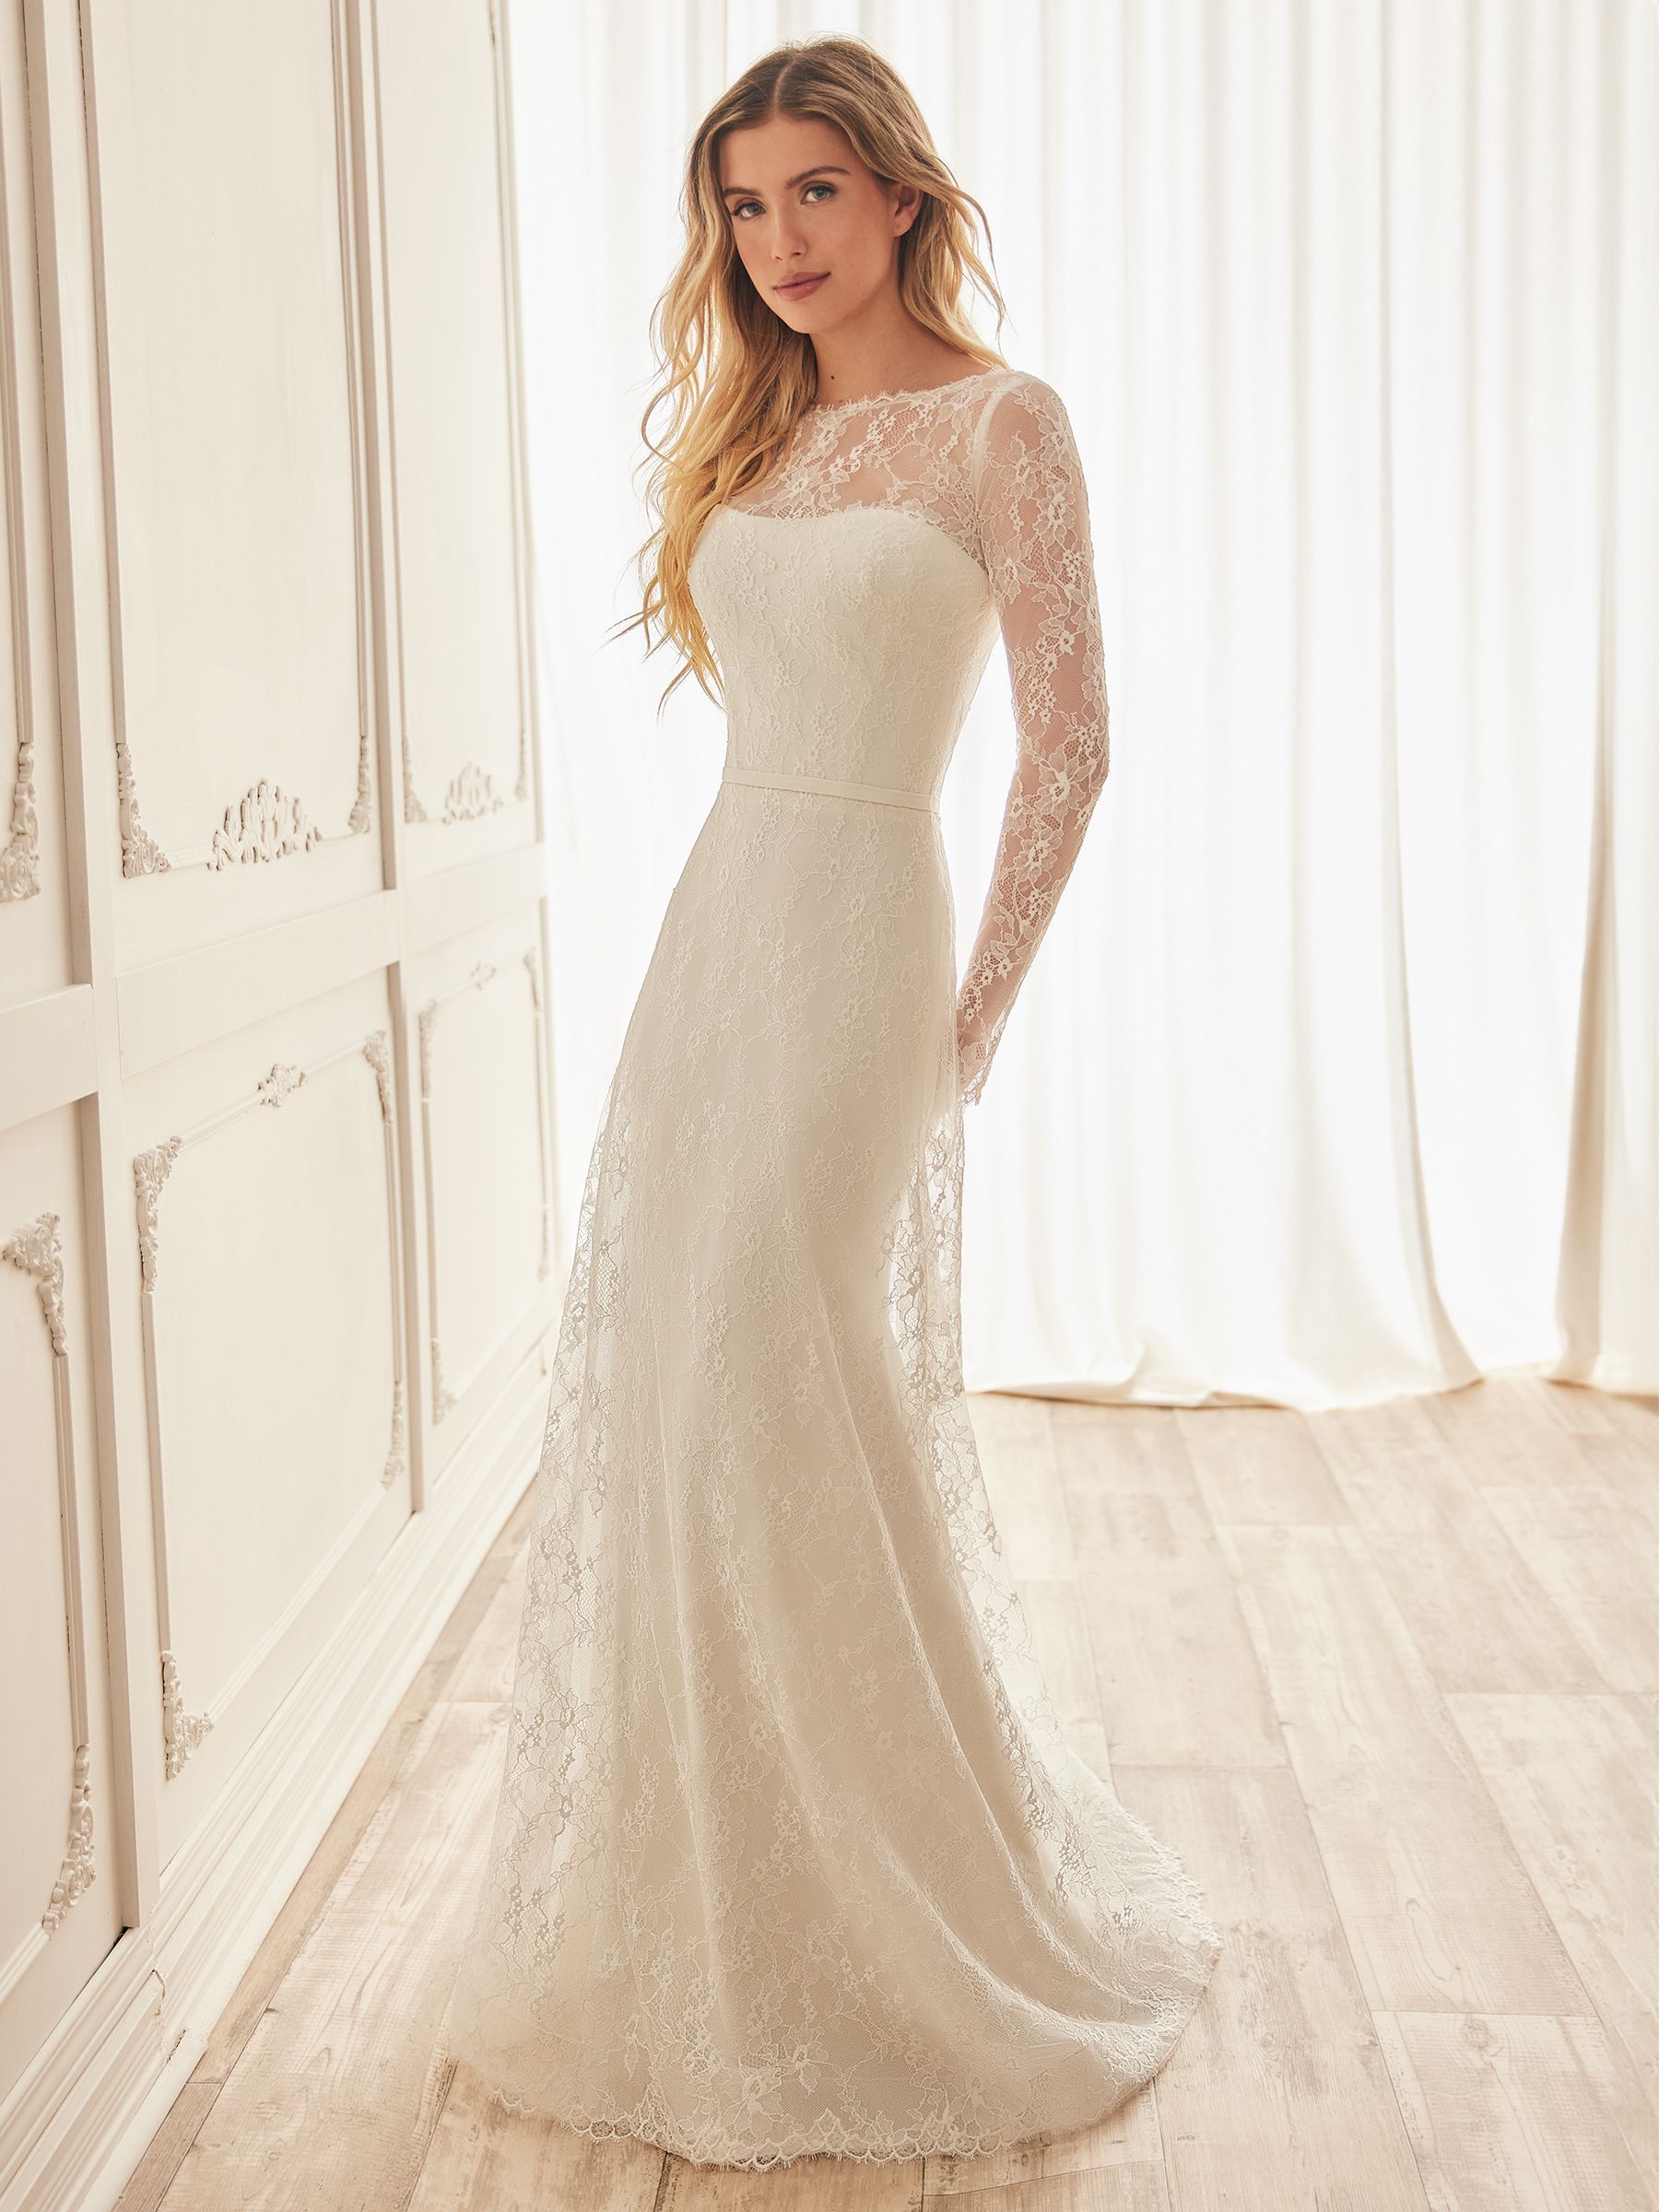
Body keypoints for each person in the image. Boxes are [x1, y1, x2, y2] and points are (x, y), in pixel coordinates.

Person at [441, 29, 1221, 2173]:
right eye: (744, 204)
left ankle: (918, 1902)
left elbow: (1073, 745)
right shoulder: (756, 442)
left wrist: (968, 1021)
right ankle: (737, 1880)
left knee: (769, 1380)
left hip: (871, 937)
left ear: (897, 194)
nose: (777, 240)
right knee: (694, 1399)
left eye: (813, 192)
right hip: (722, 942)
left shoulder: (1005, 426)